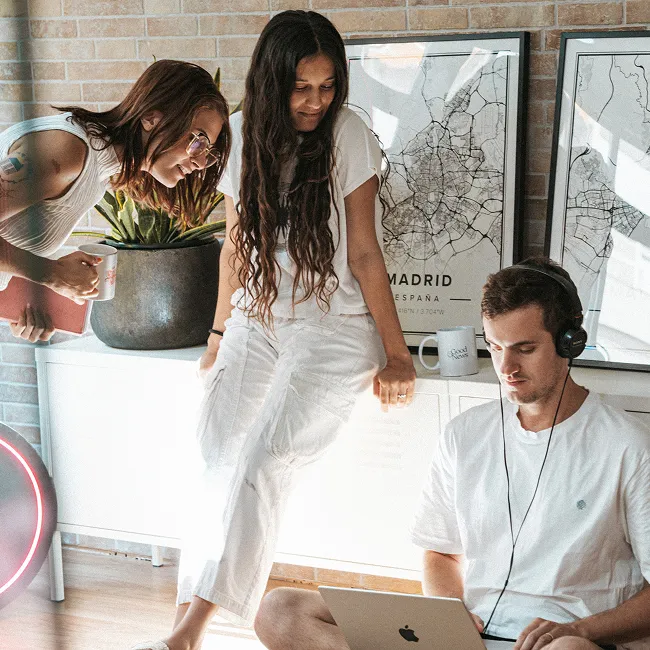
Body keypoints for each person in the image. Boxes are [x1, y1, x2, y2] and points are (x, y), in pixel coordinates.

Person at [131, 10, 416, 650]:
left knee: (263, 461)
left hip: (333, 327)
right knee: (211, 457)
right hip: (257, 320)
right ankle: (184, 623)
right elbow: (235, 244)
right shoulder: (238, 136)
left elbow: (366, 253)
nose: (316, 102)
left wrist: (397, 355)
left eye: (327, 86)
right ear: (271, 84)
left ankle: (186, 636)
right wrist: (214, 336)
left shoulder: (350, 136)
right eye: (301, 88)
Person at [253, 256, 650, 650]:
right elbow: (440, 551)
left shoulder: (627, 446)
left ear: (570, 342)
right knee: (280, 610)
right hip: (467, 641)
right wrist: (447, 612)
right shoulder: (465, 434)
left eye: (524, 349)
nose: (506, 366)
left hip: (560, 644)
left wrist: (582, 631)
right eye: (494, 347)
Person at [0, 59, 230, 342]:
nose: (201, 161)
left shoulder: (96, 168)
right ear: (151, 118)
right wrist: (51, 274)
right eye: (198, 140)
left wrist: (21, 308)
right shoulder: (67, 152)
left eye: (209, 152)